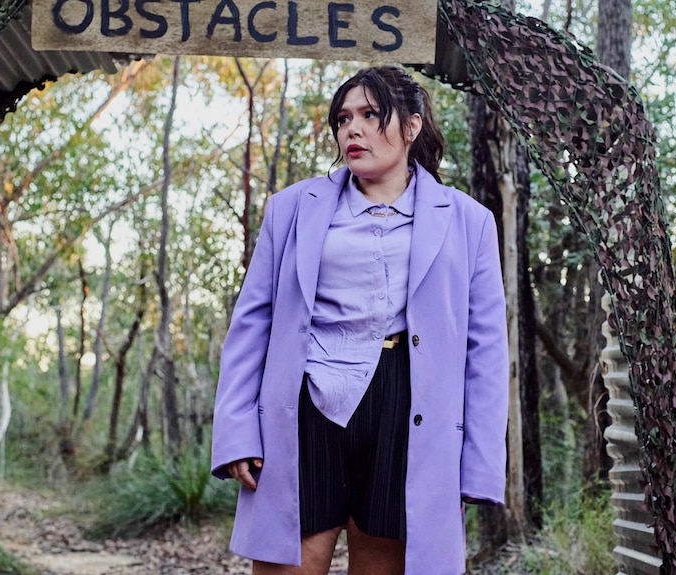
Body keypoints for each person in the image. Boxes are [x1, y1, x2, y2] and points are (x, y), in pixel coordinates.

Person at [211, 65, 509, 575]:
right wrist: (237, 431)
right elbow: (251, 325)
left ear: (411, 126)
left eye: (371, 115)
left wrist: (479, 464)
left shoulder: (468, 221)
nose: (352, 129)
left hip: (406, 410)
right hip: (306, 404)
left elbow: (485, 351)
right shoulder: (291, 209)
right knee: (289, 564)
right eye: (344, 118)